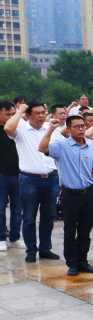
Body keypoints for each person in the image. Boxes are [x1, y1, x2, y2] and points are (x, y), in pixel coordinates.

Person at [39, 115, 93, 276]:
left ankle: (83, 261)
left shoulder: (92, 147)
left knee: (85, 231)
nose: (81, 129)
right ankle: (72, 263)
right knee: (69, 231)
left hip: (88, 193)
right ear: (68, 128)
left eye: (82, 126)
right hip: (70, 195)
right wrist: (51, 129)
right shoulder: (61, 146)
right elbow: (42, 148)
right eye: (77, 126)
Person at [4, 102, 61, 263]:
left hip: (51, 178)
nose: (42, 115)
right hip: (30, 180)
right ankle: (31, 250)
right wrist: (20, 110)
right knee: (29, 217)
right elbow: (8, 128)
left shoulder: (50, 128)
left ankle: (45, 248)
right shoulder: (22, 129)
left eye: (43, 112)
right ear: (28, 115)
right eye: (37, 113)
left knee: (49, 216)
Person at [0, 101, 22, 251]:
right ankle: (1, 238)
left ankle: (15, 237)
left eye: (13, 114)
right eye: (7, 114)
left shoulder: (17, 130)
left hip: (18, 174)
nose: (11, 117)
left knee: (17, 210)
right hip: (1, 175)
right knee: (1, 210)